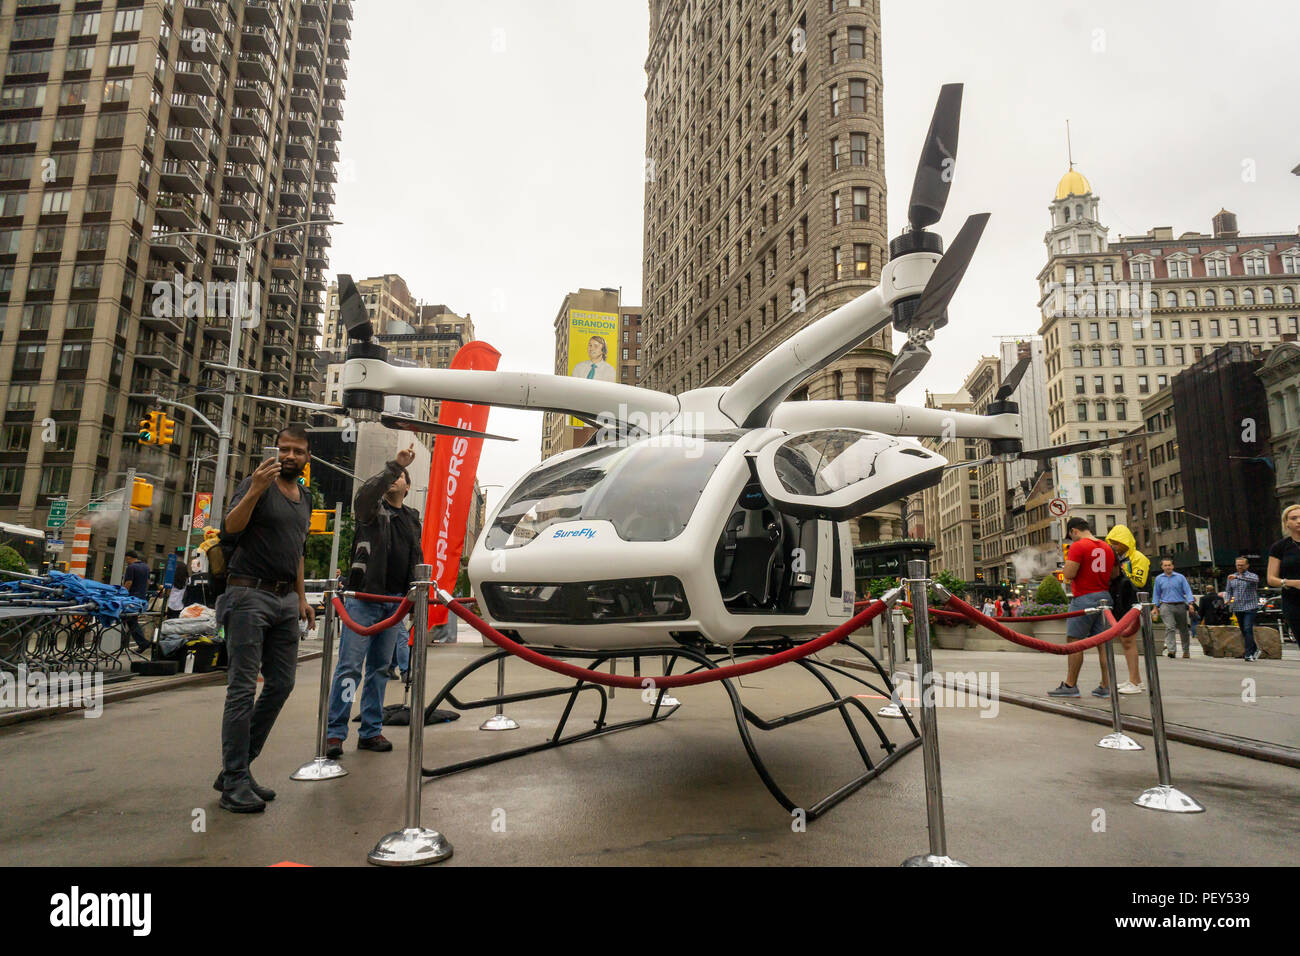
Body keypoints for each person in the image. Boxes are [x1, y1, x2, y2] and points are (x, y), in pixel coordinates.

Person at [213, 424, 315, 814]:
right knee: (241, 690)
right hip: (247, 594)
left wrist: (302, 599)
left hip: (285, 599)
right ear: (277, 450)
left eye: (298, 451)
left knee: (282, 684)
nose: (289, 456)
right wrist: (255, 489)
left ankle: (236, 768)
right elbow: (230, 528)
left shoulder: (304, 496)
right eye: (284, 449)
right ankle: (235, 779)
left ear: (307, 457)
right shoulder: (256, 483)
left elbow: (298, 552)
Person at [325, 444, 423, 759]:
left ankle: (370, 731)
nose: (396, 480)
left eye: (401, 477)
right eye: (392, 476)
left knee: (380, 669)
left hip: (395, 603)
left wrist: (415, 600)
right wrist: (394, 465)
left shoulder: (411, 519)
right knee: (350, 668)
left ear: (408, 488)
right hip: (363, 599)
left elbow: (415, 558)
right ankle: (335, 734)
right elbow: (367, 493)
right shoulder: (370, 511)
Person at [1048, 517, 1115, 698]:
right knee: (1103, 644)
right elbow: (1114, 573)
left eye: (1071, 537)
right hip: (1104, 597)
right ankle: (1106, 685)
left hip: (1084, 598)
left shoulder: (1078, 546)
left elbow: (1069, 574)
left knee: (1075, 642)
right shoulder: (1106, 547)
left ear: (1073, 531)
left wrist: (1064, 569)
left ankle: (1070, 685)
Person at [1104, 524, 1149, 694]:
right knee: (1126, 642)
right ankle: (1135, 679)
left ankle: (1135, 682)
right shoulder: (1119, 559)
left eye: (1117, 542)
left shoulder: (1138, 558)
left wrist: (1121, 572)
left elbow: (1139, 580)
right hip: (1122, 602)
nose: (1114, 546)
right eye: (1112, 542)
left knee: (1129, 641)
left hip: (1133, 603)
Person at [1267, 503, 1300, 646]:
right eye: (1294, 518)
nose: (1299, 521)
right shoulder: (1279, 547)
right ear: (1286, 523)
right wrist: (1293, 583)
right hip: (1294, 602)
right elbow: (1271, 579)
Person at [1152, 558, 1196, 658]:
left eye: (1169, 565)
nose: (1168, 567)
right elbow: (1156, 593)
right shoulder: (1159, 579)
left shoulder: (1180, 577)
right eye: (1165, 565)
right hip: (1166, 605)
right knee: (1170, 627)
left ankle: (1186, 650)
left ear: (1173, 566)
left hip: (1180, 604)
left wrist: (1190, 604)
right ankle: (1171, 650)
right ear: (1162, 567)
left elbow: (1188, 591)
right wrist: (1155, 607)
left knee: (1183, 629)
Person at [1224, 556, 1261, 661]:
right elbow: (1229, 591)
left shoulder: (1252, 576)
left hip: (1250, 607)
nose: (1239, 567)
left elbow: (1255, 580)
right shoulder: (1231, 577)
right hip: (1238, 607)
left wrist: (1238, 577)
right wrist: (1227, 599)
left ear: (1247, 565)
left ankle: (1248, 654)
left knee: (1248, 628)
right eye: (1237, 565)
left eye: (1241, 565)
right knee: (1244, 630)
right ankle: (1255, 649)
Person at [121, 551, 151, 652]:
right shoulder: (146, 567)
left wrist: (122, 593)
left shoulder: (131, 567)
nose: (126, 561)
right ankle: (141, 643)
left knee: (130, 621)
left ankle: (143, 643)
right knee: (131, 621)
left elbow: (129, 582)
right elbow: (148, 582)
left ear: (129, 558)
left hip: (131, 598)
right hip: (141, 598)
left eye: (126, 559)